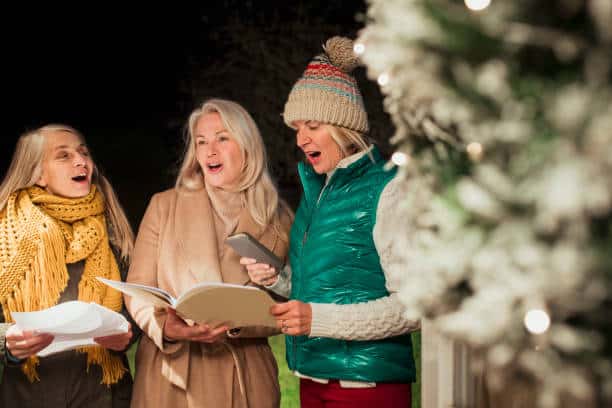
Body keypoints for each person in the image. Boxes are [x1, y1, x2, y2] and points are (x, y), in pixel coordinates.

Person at [241, 36, 419, 408]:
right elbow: (325, 289)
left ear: (343, 126)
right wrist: (278, 279)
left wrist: (315, 320)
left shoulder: (388, 191)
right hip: (314, 377)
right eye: (297, 129)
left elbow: (411, 308)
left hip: (366, 387)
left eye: (312, 125)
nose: (301, 138)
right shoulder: (316, 194)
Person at [125, 98, 293, 408]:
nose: (209, 150)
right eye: (201, 142)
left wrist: (241, 320)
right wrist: (166, 328)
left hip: (246, 380)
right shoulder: (164, 206)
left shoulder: (279, 219)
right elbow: (138, 289)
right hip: (172, 375)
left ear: (247, 146)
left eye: (222, 138)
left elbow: (288, 307)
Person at [0, 124, 135, 407]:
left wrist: (129, 334)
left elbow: (140, 307)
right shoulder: (6, 234)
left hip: (105, 395)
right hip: (29, 396)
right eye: (63, 155)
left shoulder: (114, 230)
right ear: (37, 174)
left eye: (83, 153)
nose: (80, 161)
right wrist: (8, 344)